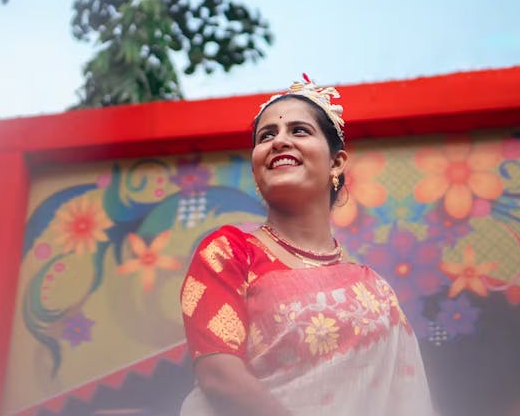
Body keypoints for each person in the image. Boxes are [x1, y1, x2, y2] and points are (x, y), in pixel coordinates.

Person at [179, 76, 434, 416]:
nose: (279, 141)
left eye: (299, 131)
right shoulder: (229, 252)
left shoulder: (374, 290)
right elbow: (219, 378)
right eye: (266, 136)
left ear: (336, 162)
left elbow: (406, 400)